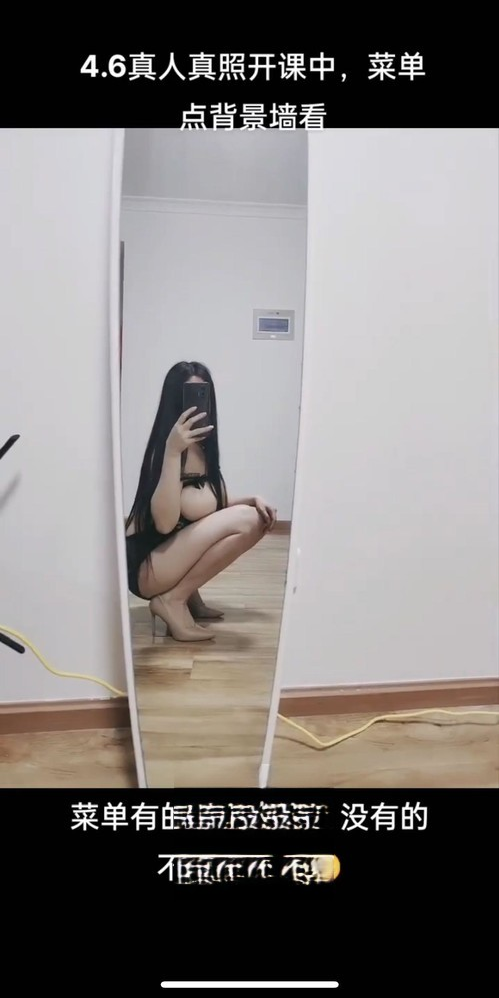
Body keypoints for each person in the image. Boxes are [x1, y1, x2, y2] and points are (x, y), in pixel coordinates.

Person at [125, 361, 277, 642]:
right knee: (249, 520)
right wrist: (173, 452)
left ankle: (188, 597)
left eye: (202, 395)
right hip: (146, 566)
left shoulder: (202, 445)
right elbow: (165, 523)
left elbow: (206, 501)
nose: (196, 406)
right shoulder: (167, 449)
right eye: (188, 396)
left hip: (165, 557)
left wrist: (252, 498)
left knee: (254, 514)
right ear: (175, 401)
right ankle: (172, 600)